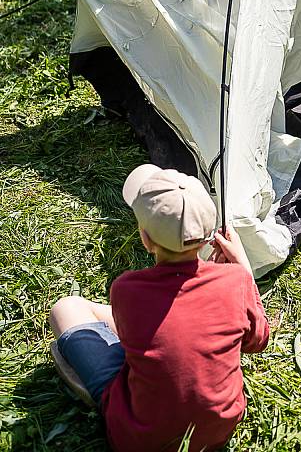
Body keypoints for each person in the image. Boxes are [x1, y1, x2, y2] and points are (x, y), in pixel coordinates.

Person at [49, 164, 269, 452]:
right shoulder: (235, 281)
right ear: (209, 234)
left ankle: (104, 399)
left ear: (146, 239)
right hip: (217, 431)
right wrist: (243, 271)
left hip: (139, 438)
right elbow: (258, 340)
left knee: (66, 308)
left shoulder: (127, 289)